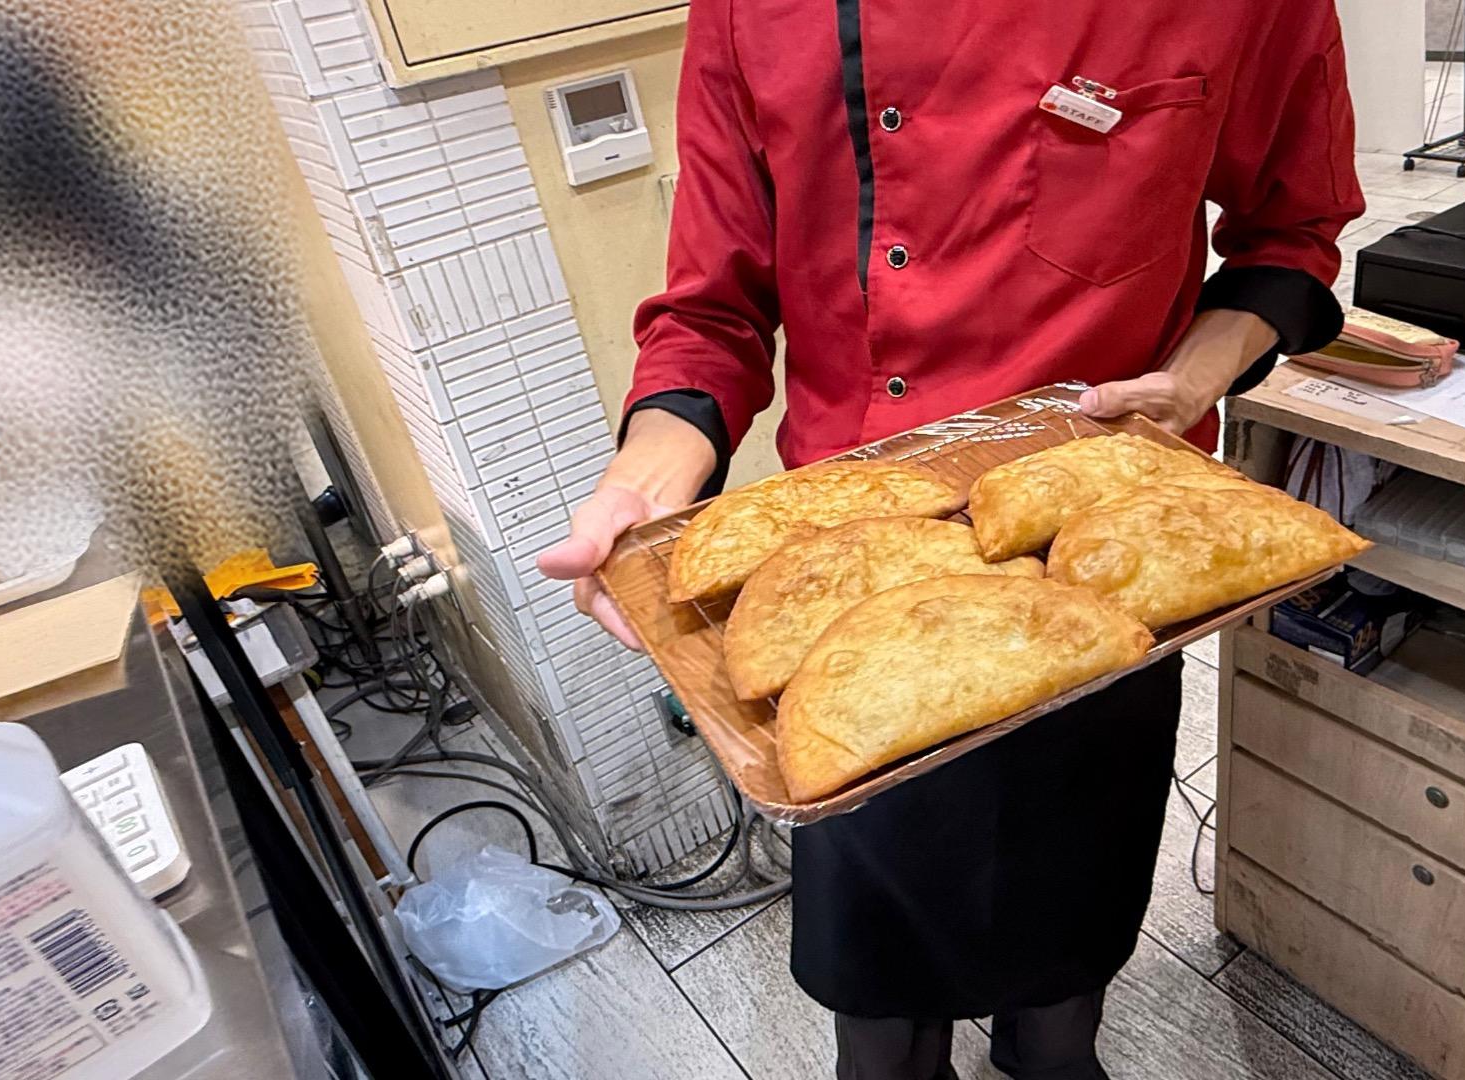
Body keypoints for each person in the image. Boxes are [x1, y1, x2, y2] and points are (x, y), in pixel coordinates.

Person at [539, 0, 1363, 1075]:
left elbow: (1292, 231)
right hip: (844, 587)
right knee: (882, 1000)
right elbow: (711, 310)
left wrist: (1188, 381)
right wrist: (645, 483)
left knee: (1067, 957)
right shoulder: (752, 12)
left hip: (1091, 564)